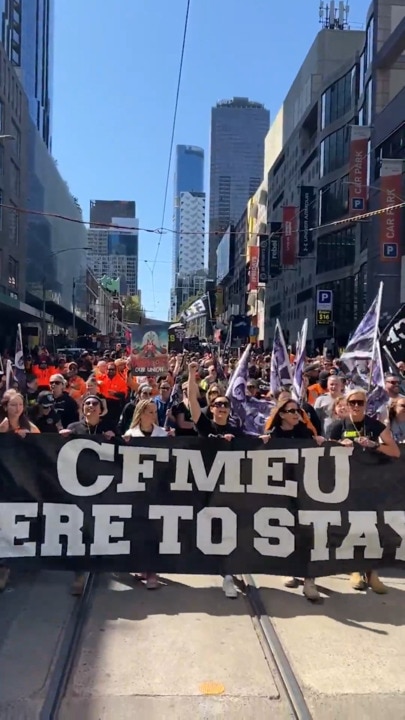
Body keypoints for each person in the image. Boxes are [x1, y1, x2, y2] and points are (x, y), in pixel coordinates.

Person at [328, 387, 400, 594]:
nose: (357, 406)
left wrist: (373, 445)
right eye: (353, 403)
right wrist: (339, 446)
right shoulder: (338, 425)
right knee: (351, 527)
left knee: (373, 527)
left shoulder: (374, 425)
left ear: (366, 405)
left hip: (371, 483)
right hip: (346, 484)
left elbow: (394, 451)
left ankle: (371, 572)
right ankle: (354, 570)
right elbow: (324, 452)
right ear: (347, 404)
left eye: (361, 403)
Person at [187, 361, 242, 598]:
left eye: (225, 405)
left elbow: (258, 444)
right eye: (217, 404)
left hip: (227, 486)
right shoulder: (204, 425)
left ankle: (228, 572)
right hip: (203, 485)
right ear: (211, 409)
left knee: (226, 528)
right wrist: (191, 374)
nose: (221, 408)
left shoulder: (237, 431)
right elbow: (191, 399)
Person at [262, 397, 324, 602]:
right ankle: (288, 568)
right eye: (291, 411)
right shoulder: (274, 435)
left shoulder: (305, 433)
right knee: (287, 530)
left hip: (304, 489)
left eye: (297, 411)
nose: (296, 414)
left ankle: (309, 580)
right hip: (281, 490)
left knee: (306, 532)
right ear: (281, 415)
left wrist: (319, 442)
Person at [60, 395, 115, 595]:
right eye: (87, 404)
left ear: (101, 410)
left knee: (100, 528)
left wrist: (118, 438)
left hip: (104, 489)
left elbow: (123, 452)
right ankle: (79, 575)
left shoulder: (109, 427)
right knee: (80, 530)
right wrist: (61, 437)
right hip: (78, 488)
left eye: (95, 404)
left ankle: (99, 564)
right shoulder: (74, 427)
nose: (91, 406)